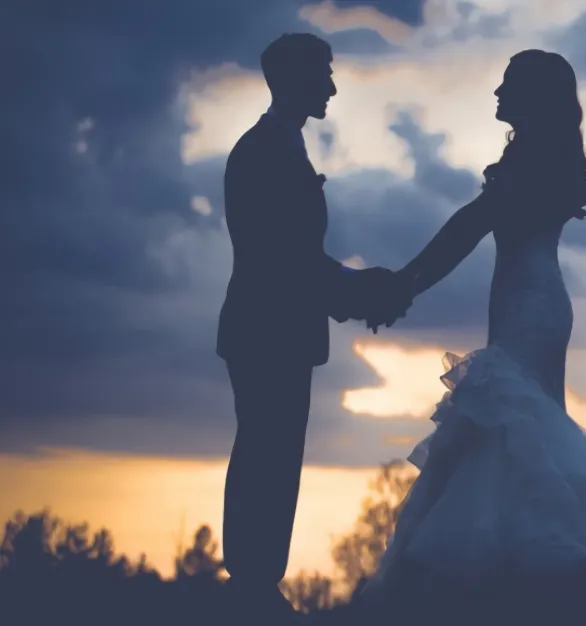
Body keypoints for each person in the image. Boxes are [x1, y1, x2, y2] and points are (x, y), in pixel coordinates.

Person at [357, 49, 586, 626]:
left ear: (531, 98)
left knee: (513, 428)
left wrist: (403, 286)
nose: (496, 94)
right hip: (539, 301)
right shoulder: (541, 160)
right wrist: (405, 285)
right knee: (520, 433)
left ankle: (517, 586)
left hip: (529, 306)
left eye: (507, 86)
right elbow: (468, 229)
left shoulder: (526, 168)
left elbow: (465, 229)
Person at [216, 33, 406, 620]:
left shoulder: (278, 146)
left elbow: (294, 257)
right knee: (267, 455)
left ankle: (257, 584)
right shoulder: (263, 151)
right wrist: (363, 289)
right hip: (266, 332)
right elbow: (284, 259)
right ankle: (252, 586)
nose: (331, 85)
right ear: (293, 78)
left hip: (275, 331)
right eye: (323, 73)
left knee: (272, 454)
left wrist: (357, 287)